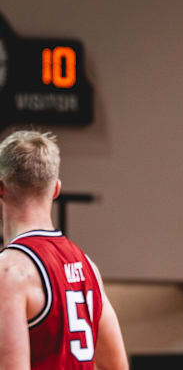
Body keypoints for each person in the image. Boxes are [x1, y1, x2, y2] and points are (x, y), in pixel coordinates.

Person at [0, 130, 128, 370]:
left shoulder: (9, 273)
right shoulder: (87, 266)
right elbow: (117, 366)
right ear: (56, 189)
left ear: (0, 188)